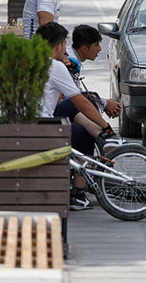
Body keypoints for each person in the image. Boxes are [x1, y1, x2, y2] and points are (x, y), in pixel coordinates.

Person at [35, 22, 121, 210]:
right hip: (41, 130)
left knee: (71, 106)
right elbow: (80, 101)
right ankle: (77, 194)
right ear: (58, 46)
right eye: (64, 45)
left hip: (18, 125)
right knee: (83, 132)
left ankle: (104, 138)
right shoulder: (54, 67)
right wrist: (106, 125)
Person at [56, 24, 122, 137]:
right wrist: (104, 103)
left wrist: (103, 102)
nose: (100, 49)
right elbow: (76, 98)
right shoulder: (69, 61)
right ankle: (107, 137)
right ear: (84, 49)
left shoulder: (70, 56)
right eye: (96, 45)